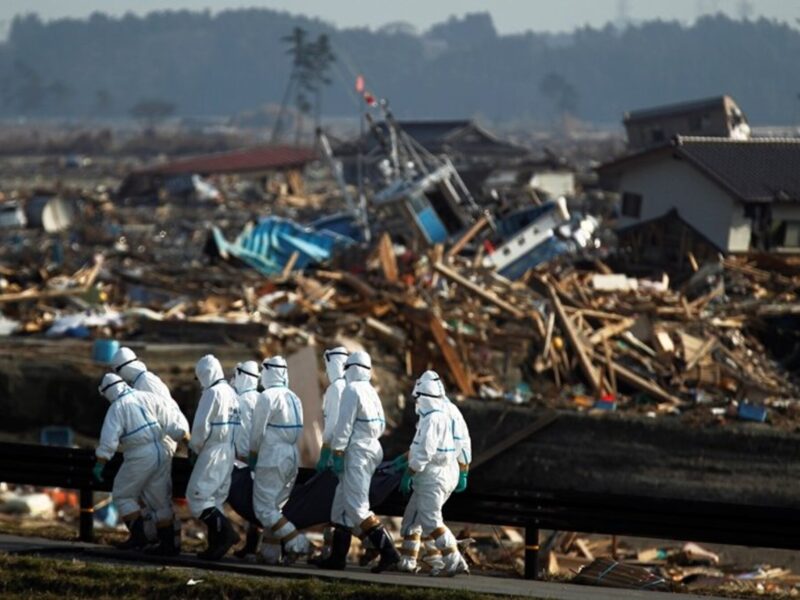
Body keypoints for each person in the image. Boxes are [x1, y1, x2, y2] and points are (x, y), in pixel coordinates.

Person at [315, 351, 400, 572]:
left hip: (357, 451)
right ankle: (337, 558)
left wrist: (338, 453)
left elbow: (343, 427)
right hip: (371, 447)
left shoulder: (351, 390)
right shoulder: (371, 391)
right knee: (340, 507)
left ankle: (389, 553)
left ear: (350, 368)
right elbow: (381, 424)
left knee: (357, 506)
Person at [93, 373, 188, 554]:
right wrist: (185, 440)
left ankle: (140, 537)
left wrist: (101, 461)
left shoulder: (117, 408)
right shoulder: (147, 396)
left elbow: (109, 441)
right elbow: (171, 421)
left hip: (140, 454)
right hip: (162, 450)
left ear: (109, 391)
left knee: (123, 495)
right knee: (160, 500)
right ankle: (169, 545)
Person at [396, 377, 468, 576]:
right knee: (411, 519)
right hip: (430, 476)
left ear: (423, 397)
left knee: (431, 520)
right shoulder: (440, 416)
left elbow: (424, 451)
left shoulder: (431, 419)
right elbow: (420, 448)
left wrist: (409, 472)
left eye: (417, 398)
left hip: (431, 477)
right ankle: (408, 560)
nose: (416, 402)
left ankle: (453, 560)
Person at [249, 356, 309, 565]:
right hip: (291, 456)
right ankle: (270, 553)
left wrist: (253, 454)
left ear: (268, 371)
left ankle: (297, 542)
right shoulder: (294, 397)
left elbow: (257, 432)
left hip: (272, 456)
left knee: (264, 508)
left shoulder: (266, 396)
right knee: (276, 508)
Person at [186, 354, 241, 560]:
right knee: (214, 499)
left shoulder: (212, 393)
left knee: (197, 498)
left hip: (214, 451)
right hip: (229, 450)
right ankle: (215, 546)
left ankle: (227, 534)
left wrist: (194, 448)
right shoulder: (232, 393)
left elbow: (201, 426)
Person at [313, 347, 349, 562]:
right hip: (347, 453)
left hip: (338, 453)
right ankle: (331, 553)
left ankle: (332, 554)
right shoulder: (352, 387)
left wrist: (325, 452)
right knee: (341, 507)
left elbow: (332, 425)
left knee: (338, 507)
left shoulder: (336, 389)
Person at [230, 360, 262, 559]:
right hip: (260, 457)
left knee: (249, 503)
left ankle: (249, 546)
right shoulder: (261, 398)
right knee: (258, 503)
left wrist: (241, 455)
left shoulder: (242, 400)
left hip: (245, 459)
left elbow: (243, 432)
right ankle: (252, 546)